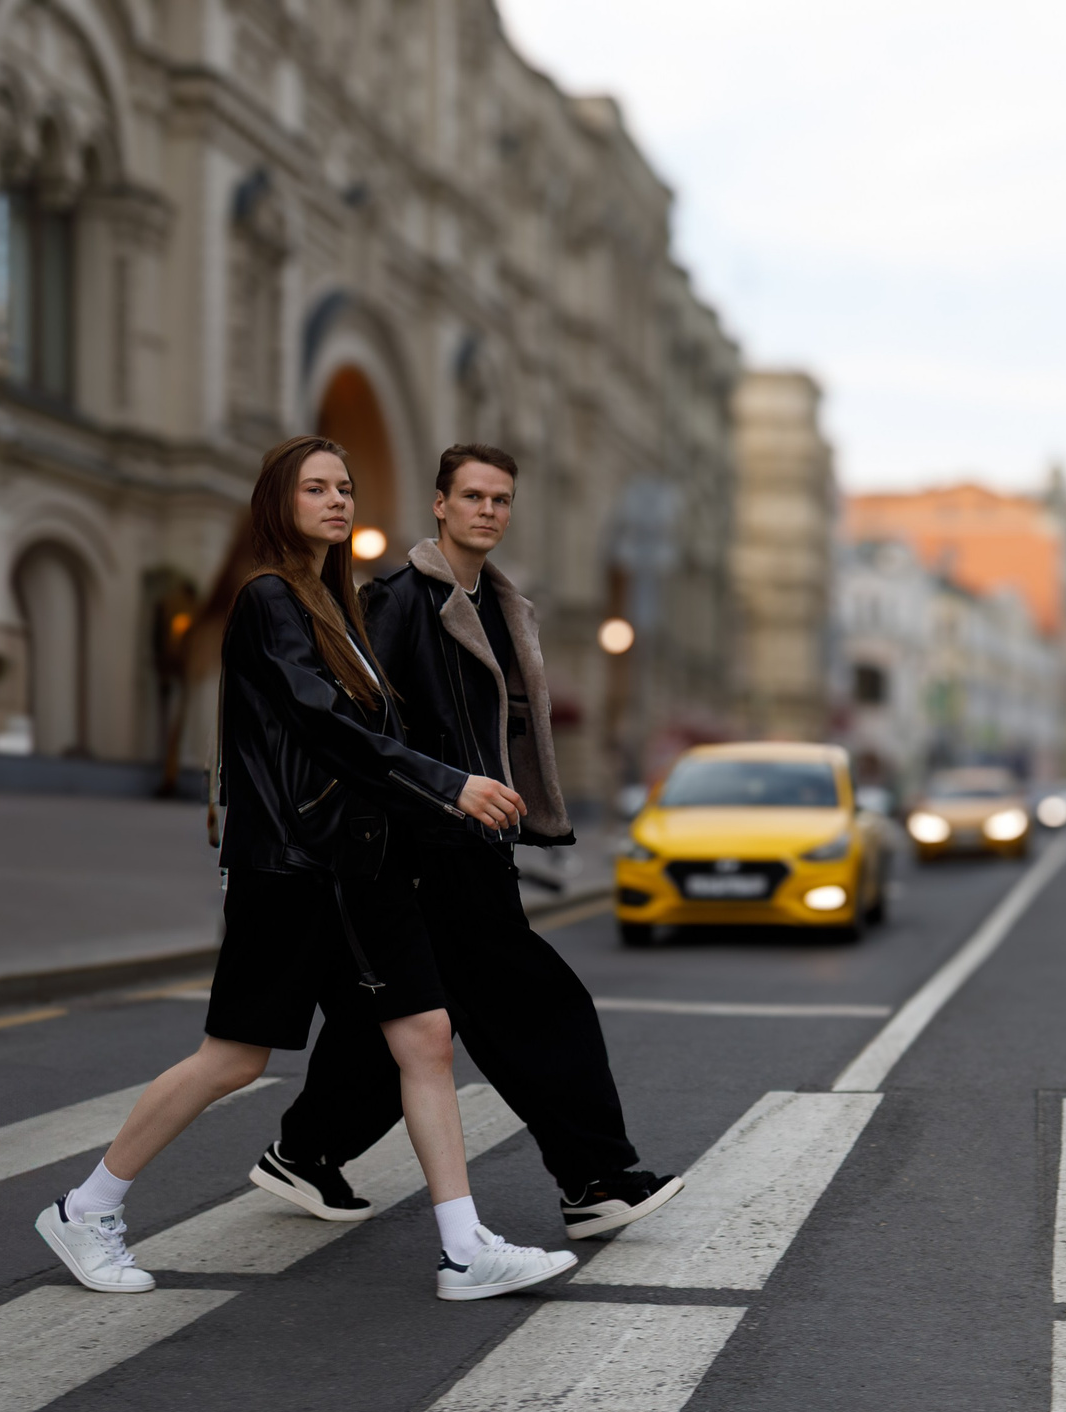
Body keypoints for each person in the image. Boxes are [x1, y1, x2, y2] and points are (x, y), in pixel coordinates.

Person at [34, 436, 577, 1303]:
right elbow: (328, 729)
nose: (337, 500)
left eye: (346, 486)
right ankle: (86, 1206)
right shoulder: (269, 600)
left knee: (426, 1039)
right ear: (277, 502)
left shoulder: (339, 608)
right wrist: (450, 785)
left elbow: (376, 739)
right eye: (315, 487)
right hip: (290, 869)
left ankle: (464, 1245)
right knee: (234, 1058)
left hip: (361, 869)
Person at [248, 444, 681, 1241]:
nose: (488, 510)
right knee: (540, 1007)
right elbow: (357, 730)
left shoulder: (499, 606)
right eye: (473, 496)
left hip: (471, 843)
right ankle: (596, 1178)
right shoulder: (400, 601)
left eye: (501, 499)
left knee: (404, 1029)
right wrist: (438, 801)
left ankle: (305, 1151)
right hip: (421, 850)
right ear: (440, 505)